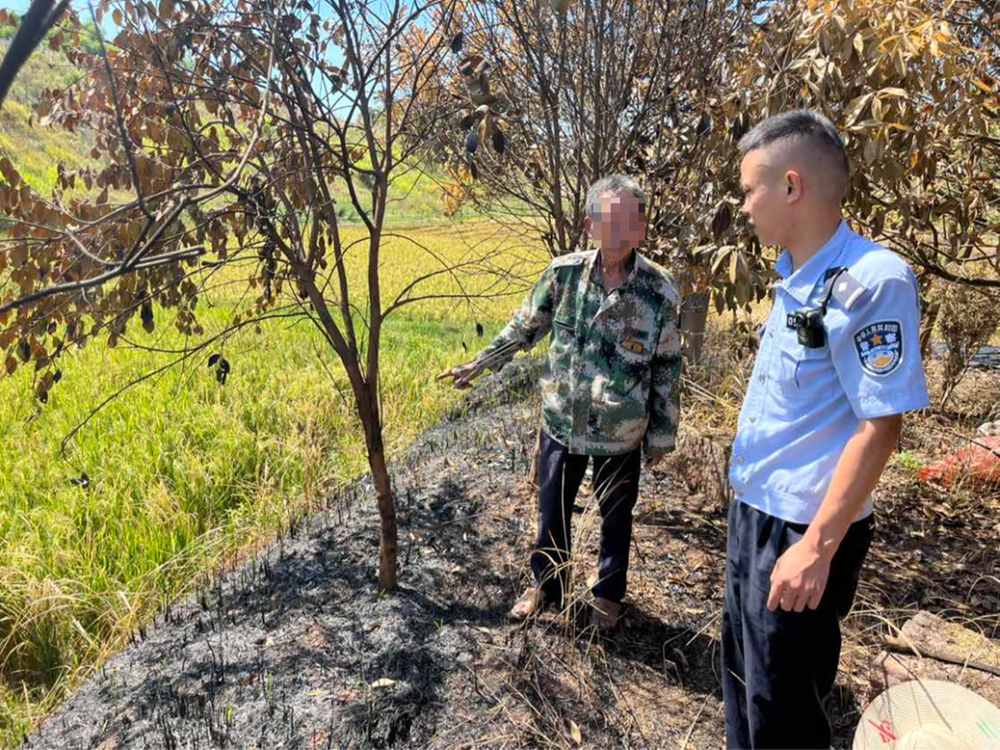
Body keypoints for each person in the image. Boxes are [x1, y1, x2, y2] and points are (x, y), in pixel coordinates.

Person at [722, 110, 930, 749]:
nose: (744, 206)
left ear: (791, 187)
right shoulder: (796, 276)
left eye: (749, 189)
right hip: (754, 515)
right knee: (745, 685)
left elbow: (880, 427)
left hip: (802, 530)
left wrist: (816, 548)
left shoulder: (870, 282)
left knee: (783, 709)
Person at [438, 174, 682, 631]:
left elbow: (667, 366)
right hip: (563, 420)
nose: (620, 229)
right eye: (610, 219)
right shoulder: (564, 274)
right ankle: (547, 586)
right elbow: (524, 327)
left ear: (642, 226)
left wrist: (662, 436)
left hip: (621, 429)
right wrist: (479, 365)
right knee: (552, 509)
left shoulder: (660, 291)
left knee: (615, 516)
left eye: (630, 218)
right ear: (592, 225)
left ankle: (608, 595)